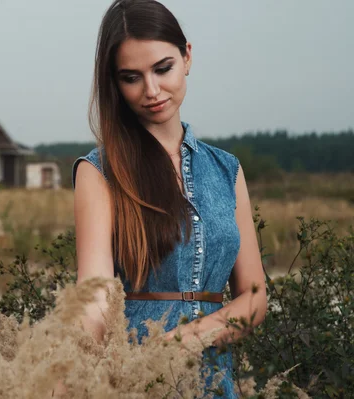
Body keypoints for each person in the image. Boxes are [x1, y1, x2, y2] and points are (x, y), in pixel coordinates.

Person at [71, 0, 268, 397]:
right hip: (136, 378)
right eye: (131, 77)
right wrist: (68, 373)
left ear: (187, 57)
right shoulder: (99, 173)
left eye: (163, 68)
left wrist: (190, 338)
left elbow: (256, 295)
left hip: (215, 381)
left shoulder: (227, 170)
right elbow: (95, 296)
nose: (152, 90)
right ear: (115, 83)